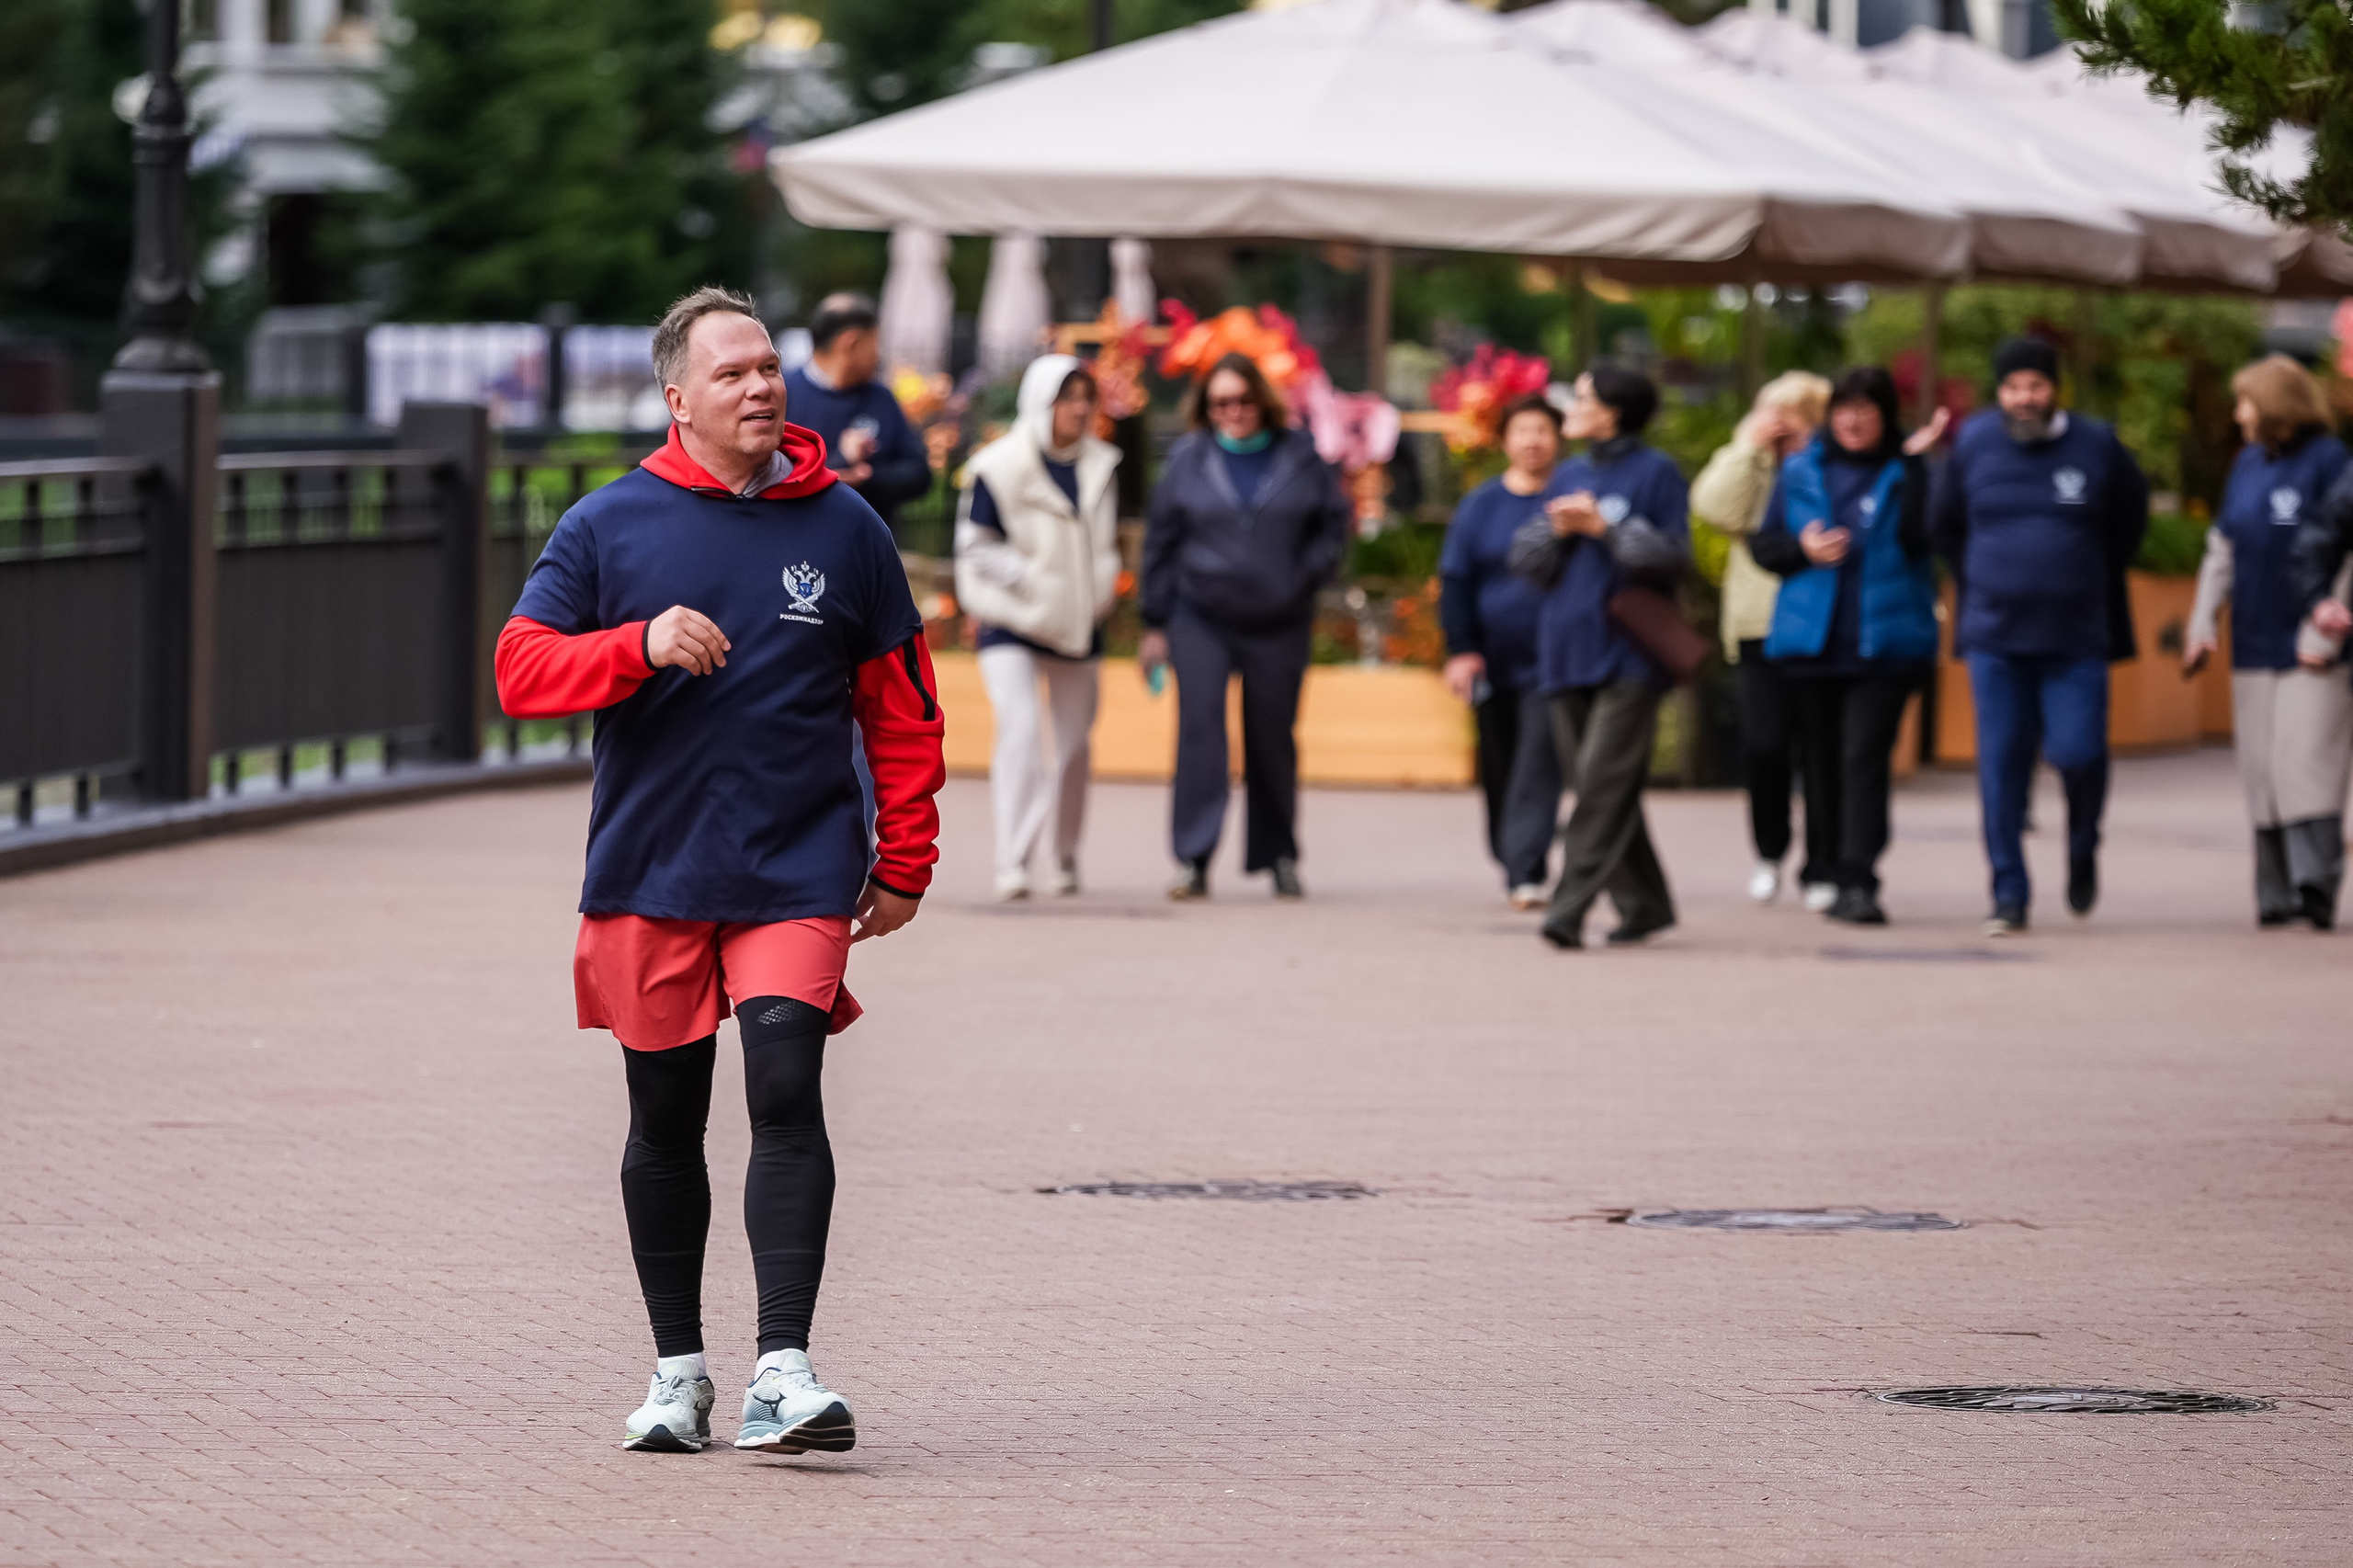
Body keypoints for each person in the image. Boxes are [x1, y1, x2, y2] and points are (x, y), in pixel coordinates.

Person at [494, 286, 947, 1457]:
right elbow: (519, 668)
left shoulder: (847, 527)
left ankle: (782, 1369)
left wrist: (905, 855)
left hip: (798, 863)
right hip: (652, 867)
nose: (760, 387)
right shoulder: (607, 525)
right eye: (732, 372)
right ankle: (678, 1373)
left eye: (768, 367)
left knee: (786, 1086)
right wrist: (636, 644)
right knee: (665, 1116)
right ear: (677, 397)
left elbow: (903, 708)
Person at [1932, 335, 2148, 937]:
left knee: (2079, 754)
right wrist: (1984, 578)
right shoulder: (1974, 443)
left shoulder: (2097, 444)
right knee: (2001, 766)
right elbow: (1944, 525)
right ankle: (2008, 893)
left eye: (2035, 386)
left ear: (2055, 389)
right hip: (1995, 638)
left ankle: (2082, 844)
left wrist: (2079, 574)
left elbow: (2130, 519)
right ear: (1999, 392)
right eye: (2012, 387)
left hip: (2075, 638)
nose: (2024, 398)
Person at [1138, 353, 1352, 901]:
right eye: (1219, 403)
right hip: (1200, 617)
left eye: (1242, 400)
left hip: (1279, 619)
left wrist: (1305, 576)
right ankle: (1193, 858)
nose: (1232, 412)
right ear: (1205, 408)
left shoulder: (1301, 455)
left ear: (1262, 400)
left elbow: (1333, 527)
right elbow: (1159, 543)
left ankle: (1278, 854)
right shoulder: (1188, 459)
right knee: (1201, 733)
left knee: (1272, 736)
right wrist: (1154, 622)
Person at [1748, 368, 1941, 926]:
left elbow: (1923, 540)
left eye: (1867, 410)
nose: (1854, 421)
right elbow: (1766, 546)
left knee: (1863, 759)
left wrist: (1916, 467)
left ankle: (1859, 879)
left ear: (1886, 416)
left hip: (1885, 645)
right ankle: (1826, 867)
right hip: (1812, 642)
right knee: (1821, 763)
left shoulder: (1905, 470)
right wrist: (1803, 550)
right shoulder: (1800, 469)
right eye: (1844, 409)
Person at [1508, 365, 1690, 950]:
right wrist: (1559, 531)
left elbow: (1671, 556)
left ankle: (1567, 909)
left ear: (1611, 411)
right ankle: (1646, 906)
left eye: (1582, 398)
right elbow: (1525, 557)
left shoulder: (1657, 472)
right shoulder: (1570, 472)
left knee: (1599, 788)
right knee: (1603, 786)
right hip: (1566, 648)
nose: (1571, 407)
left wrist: (1606, 526)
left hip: (1631, 654)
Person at [2188, 354, 2352, 926]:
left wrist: (2326, 630)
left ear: (2277, 405)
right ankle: (2276, 891)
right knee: (2262, 770)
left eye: (2247, 403)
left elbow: (2344, 551)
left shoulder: (2330, 461)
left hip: (2314, 642)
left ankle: (2317, 884)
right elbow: (2223, 549)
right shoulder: (2246, 465)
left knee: (2306, 763)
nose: (2239, 415)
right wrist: (2202, 623)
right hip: (2254, 636)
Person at [954, 354, 1121, 902]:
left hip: (1078, 623)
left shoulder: (1102, 464)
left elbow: (1105, 540)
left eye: (1087, 398)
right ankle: (1013, 862)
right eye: (1067, 397)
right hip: (1011, 620)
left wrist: (1099, 584)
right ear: (1040, 402)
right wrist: (1032, 579)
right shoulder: (997, 467)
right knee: (1021, 732)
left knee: (1073, 748)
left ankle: (1065, 854)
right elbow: (974, 547)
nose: (1080, 409)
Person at [1689, 371, 1832, 908]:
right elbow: (1714, 507)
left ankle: (1822, 865)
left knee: (1820, 750)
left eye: (1791, 418)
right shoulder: (1753, 466)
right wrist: (1749, 449)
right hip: (1759, 624)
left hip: (1819, 623)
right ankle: (1769, 851)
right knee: (1763, 745)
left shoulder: (1825, 468)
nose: (1778, 426)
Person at [1439, 392, 1571, 909]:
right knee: (1498, 765)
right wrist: (1461, 649)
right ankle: (1511, 854)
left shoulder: (1571, 501)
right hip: (1492, 659)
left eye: (1542, 431)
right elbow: (1456, 579)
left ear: (1558, 439)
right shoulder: (1481, 505)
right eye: (1522, 431)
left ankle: (1527, 868)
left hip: (1553, 659)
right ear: (1505, 441)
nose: (1533, 441)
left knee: (1538, 761)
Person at [782, 292, 935, 537]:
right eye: (875, 342)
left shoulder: (881, 398)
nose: (879, 354)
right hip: (799, 544)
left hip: (870, 546)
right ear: (851, 343)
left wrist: (867, 478)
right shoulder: (783, 395)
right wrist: (839, 463)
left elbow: (920, 475)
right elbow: (771, 479)